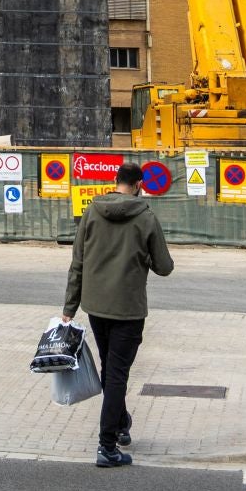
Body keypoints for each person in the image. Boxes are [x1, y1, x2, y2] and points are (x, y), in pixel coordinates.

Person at [61, 161, 174, 469]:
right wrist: (143, 254)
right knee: (117, 375)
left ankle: (121, 422)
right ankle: (107, 445)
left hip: (96, 306)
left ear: (115, 180)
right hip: (128, 308)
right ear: (139, 184)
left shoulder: (92, 211)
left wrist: (69, 308)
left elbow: (78, 263)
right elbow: (165, 266)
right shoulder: (146, 218)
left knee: (110, 368)